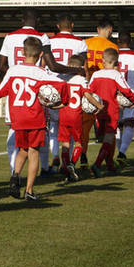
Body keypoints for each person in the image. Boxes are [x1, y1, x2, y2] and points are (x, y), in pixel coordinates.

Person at [0, 10, 81, 177]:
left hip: (15, 91)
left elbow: (2, 66)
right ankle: (42, 169)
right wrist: (76, 70)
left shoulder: (9, 36)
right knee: (40, 134)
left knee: (13, 133)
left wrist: (15, 74)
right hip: (35, 91)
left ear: (22, 20)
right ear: (38, 20)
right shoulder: (42, 36)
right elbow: (52, 65)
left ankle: (15, 172)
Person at [0, 37, 67, 201]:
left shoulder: (12, 70)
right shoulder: (41, 73)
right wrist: (63, 102)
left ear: (21, 52)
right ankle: (29, 191)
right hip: (35, 117)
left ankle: (15, 178)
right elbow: (63, 85)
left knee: (22, 150)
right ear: (41, 54)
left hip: (17, 118)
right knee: (34, 153)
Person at [48, 13, 89, 172]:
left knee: (53, 127)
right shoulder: (80, 42)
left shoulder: (49, 41)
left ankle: (55, 157)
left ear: (57, 26)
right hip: (73, 88)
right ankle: (69, 163)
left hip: (53, 86)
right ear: (72, 25)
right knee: (71, 132)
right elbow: (83, 67)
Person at [88, 48, 134, 177]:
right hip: (111, 111)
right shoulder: (116, 75)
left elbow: (89, 91)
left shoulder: (96, 74)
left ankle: (109, 164)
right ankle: (97, 164)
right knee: (109, 138)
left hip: (98, 110)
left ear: (103, 61)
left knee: (105, 138)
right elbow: (126, 90)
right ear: (116, 62)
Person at [81, 17, 119, 168]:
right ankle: (108, 159)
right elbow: (115, 70)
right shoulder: (112, 47)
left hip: (87, 88)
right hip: (104, 89)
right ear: (110, 30)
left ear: (97, 29)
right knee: (110, 128)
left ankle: (82, 156)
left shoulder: (86, 43)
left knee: (85, 126)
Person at [58, 54, 103, 182]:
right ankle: (72, 163)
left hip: (63, 114)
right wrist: (99, 105)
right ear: (81, 66)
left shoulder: (63, 79)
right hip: (76, 115)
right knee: (79, 143)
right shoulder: (81, 80)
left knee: (65, 143)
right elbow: (88, 95)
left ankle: (66, 170)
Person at [116, 32, 134, 166]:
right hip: (130, 94)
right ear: (131, 41)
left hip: (115, 93)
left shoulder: (112, 53)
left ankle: (119, 153)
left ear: (118, 41)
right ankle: (121, 153)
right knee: (129, 123)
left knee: (117, 125)